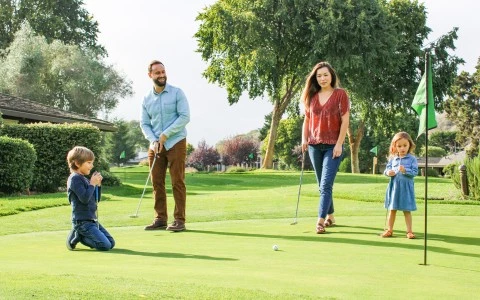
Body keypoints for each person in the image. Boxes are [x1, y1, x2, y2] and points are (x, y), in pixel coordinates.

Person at [140, 60, 190, 232]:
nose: (161, 75)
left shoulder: (177, 93)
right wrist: (154, 140)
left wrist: (165, 134)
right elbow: (144, 124)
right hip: (156, 146)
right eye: (157, 73)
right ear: (150, 75)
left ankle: (179, 220)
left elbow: (184, 117)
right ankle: (160, 218)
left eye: (163, 72)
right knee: (157, 182)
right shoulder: (146, 98)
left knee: (177, 181)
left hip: (176, 141)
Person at [301, 62, 350, 234]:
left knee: (326, 184)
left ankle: (320, 221)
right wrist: (304, 139)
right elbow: (307, 120)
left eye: (325, 75)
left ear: (332, 76)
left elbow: (345, 121)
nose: (322, 78)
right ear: (315, 78)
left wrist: (339, 144)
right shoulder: (312, 97)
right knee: (322, 186)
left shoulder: (340, 94)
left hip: (332, 146)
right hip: (314, 146)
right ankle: (331, 216)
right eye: (319, 76)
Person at [66, 146, 115, 251]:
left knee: (111, 243)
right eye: (89, 162)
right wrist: (92, 184)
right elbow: (84, 198)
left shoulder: (85, 179)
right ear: (77, 163)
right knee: (105, 246)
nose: (91, 166)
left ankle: (79, 234)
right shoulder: (74, 179)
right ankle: (79, 236)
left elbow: (96, 199)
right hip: (82, 221)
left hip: (91, 220)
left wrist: (98, 185)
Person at [382, 131, 418, 239]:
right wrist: (389, 172)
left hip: (406, 188)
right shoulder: (393, 158)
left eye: (405, 145)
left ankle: (409, 231)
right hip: (394, 188)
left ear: (409, 145)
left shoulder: (412, 159)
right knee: (392, 209)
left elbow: (415, 172)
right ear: (395, 146)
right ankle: (389, 230)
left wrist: (405, 170)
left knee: (406, 210)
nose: (402, 148)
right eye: (399, 146)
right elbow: (387, 169)